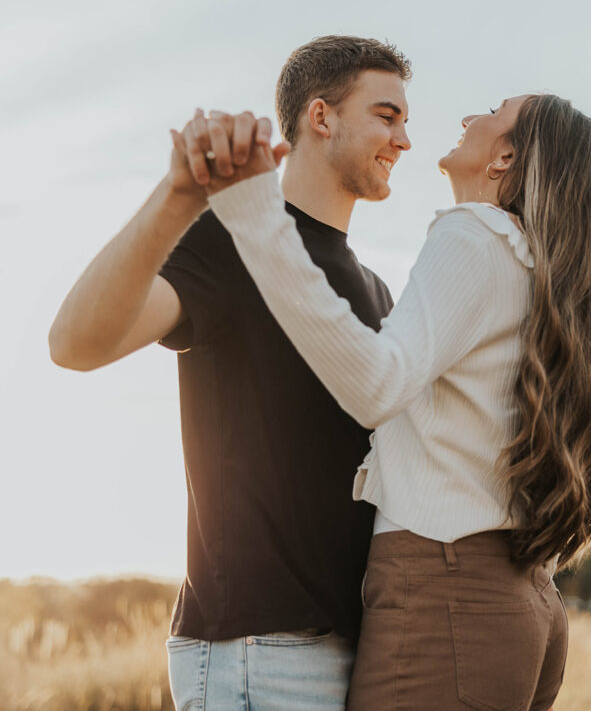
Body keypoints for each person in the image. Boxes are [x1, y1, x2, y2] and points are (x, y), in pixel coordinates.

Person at [178, 92, 591, 711]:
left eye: (493, 112)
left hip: (445, 591)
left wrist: (257, 220)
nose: (470, 117)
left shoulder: (476, 235)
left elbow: (376, 385)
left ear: (505, 158)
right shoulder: (537, 269)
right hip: (519, 601)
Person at [49, 35, 412, 711]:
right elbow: (74, 344)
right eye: (386, 116)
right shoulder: (231, 240)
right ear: (320, 116)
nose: (403, 139)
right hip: (260, 654)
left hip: (350, 652)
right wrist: (180, 194)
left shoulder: (376, 289)